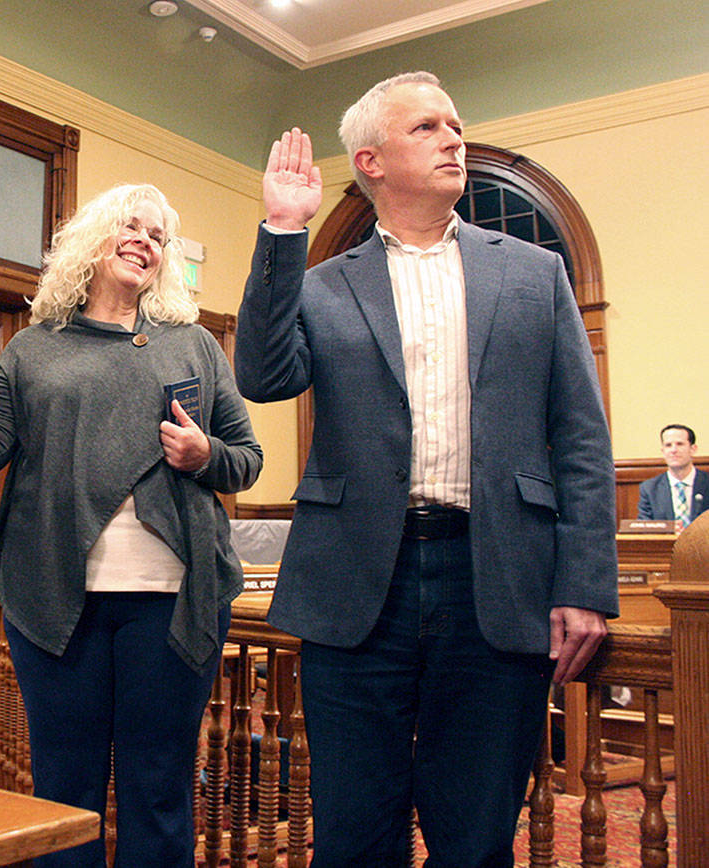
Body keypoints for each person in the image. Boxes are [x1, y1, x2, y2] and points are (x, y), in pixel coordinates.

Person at [234, 72, 618, 866]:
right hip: (356, 582)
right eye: (428, 128)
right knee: (352, 835)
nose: (454, 138)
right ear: (370, 161)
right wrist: (281, 229)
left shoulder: (534, 273)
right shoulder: (321, 284)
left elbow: (580, 438)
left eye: (455, 123)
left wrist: (582, 584)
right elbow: (264, 376)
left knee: (475, 839)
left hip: (497, 575)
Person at [0, 183, 262, 866]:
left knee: (157, 784)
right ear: (93, 239)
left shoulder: (194, 345)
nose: (144, 239)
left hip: (172, 601)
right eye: (131, 225)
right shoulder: (35, 348)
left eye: (157, 235)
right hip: (60, 596)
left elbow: (247, 458)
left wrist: (206, 454)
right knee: (64, 789)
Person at [637, 424, 707, 528]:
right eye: (668, 445)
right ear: (663, 451)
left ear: (693, 449)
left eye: (680, 444)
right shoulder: (649, 488)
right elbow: (645, 528)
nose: (673, 450)